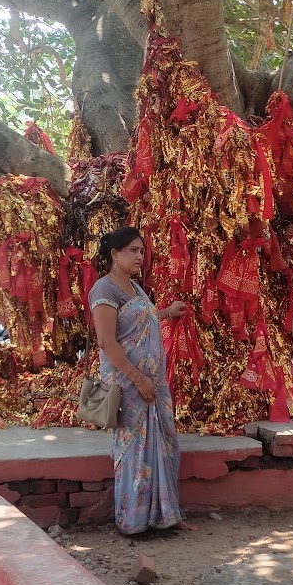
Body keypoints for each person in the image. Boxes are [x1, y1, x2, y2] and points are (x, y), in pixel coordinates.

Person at [88, 227, 188, 535]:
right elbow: (107, 341)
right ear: (114, 255)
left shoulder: (133, 287)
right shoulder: (105, 290)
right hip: (128, 386)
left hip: (151, 384)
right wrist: (138, 378)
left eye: (141, 251)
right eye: (132, 250)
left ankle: (161, 516)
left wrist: (167, 312)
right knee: (134, 451)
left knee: (162, 444)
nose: (139, 256)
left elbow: (140, 320)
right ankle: (133, 521)